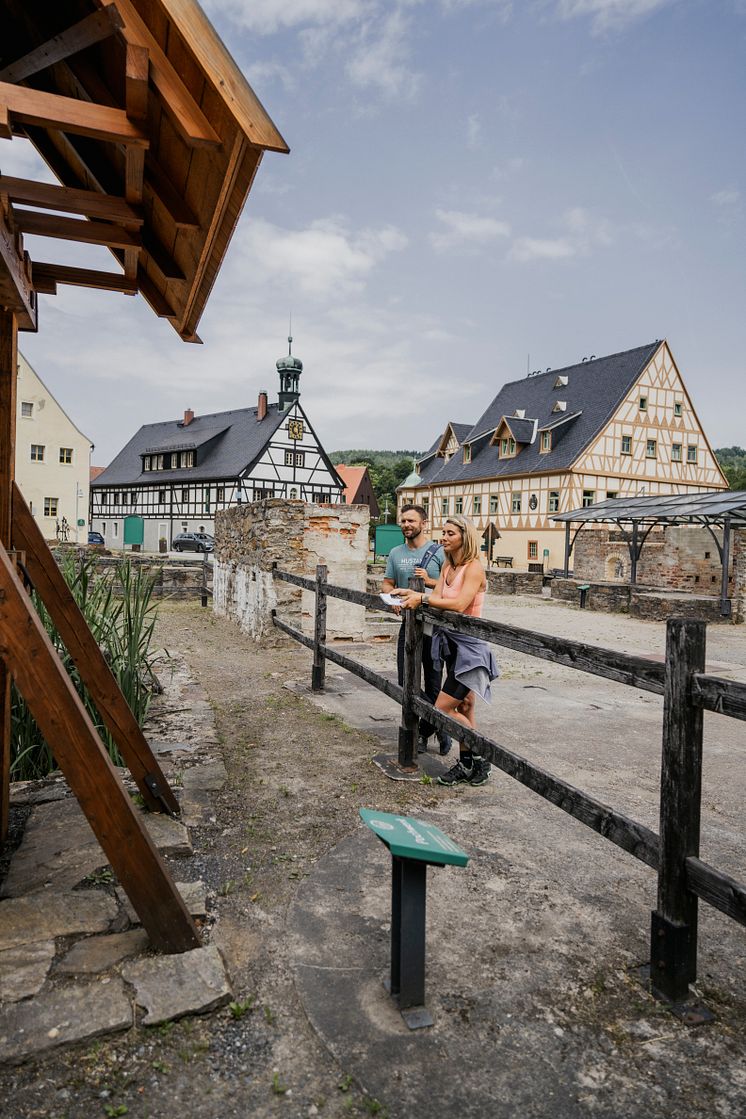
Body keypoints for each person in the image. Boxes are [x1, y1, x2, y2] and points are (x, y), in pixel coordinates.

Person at [395, 514, 498, 787]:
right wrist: (410, 593)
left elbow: (459, 603)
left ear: (465, 537)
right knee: (464, 707)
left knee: (442, 709)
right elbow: (438, 600)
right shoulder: (447, 567)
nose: (444, 537)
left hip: (471, 649)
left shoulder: (473, 567)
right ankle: (468, 765)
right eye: (443, 532)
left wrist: (423, 597)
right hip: (451, 645)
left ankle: (482, 758)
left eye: (450, 533)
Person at [381, 504, 452, 755]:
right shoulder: (395, 553)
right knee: (404, 681)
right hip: (408, 626)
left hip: (434, 629)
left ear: (423, 523)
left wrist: (429, 581)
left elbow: (450, 586)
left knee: (434, 686)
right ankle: (440, 728)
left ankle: (423, 734)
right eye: (403, 521)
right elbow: (388, 582)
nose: (406, 525)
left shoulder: (440, 552)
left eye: (411, 520)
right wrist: (391, 597)